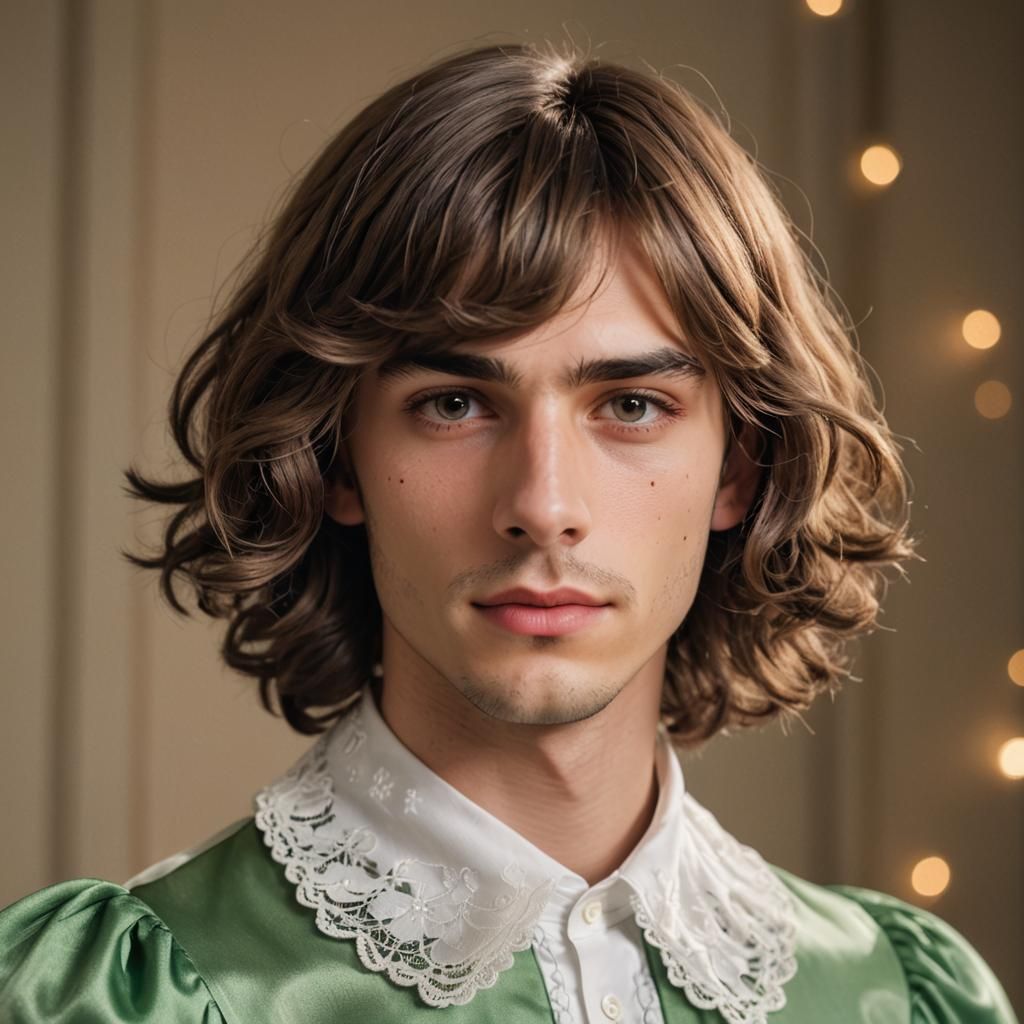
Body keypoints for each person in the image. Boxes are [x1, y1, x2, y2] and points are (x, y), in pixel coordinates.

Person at [0, 39, 1017, 1024]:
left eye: (630, 405)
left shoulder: (904, 996)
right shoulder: (113, 1001)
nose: (542, 502)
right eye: (453, 403)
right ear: (337, 456)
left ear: (741, 466)